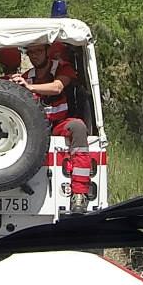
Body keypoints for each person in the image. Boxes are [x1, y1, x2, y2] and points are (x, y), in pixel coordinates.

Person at [10, 42, 90, 214]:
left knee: (78, 127)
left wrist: (29, 87)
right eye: (30, 52)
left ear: (48, 51)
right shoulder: (27, 76)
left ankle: (79, 194)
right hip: (34, 128)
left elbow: (57, 87)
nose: (34, 56)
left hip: (58, 125)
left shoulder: (62, 68)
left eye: (38, 51)